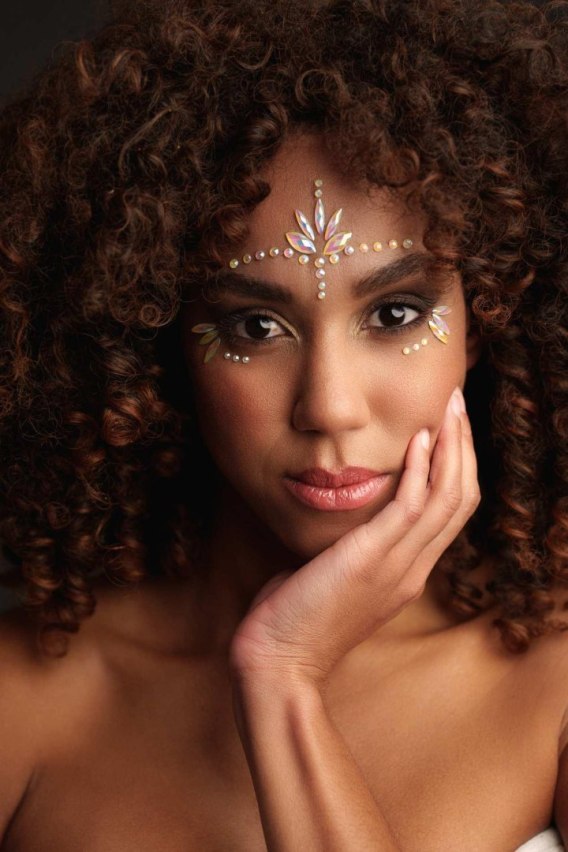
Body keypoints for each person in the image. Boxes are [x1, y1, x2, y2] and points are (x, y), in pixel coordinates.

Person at [0, 0, 566, 848]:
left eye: (396, 314)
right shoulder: (25, 697)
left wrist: (282, 676)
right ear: (158, 341)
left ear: (483, 319)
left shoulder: (555, 679)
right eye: (255, 327)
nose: (329, 405)